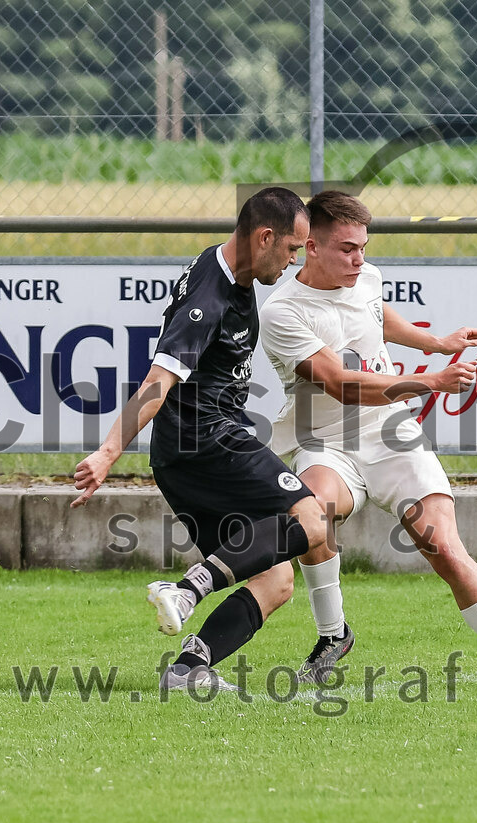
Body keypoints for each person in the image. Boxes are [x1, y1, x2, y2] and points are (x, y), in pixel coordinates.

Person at [258, 190, 477, 687]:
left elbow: (375, 315)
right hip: (327, 440)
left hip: (392, 435)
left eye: (364, 247)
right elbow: (341, 385)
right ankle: (334, 635)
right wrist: (433, 379)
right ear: (309, 246)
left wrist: (435, 342)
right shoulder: (283, 311)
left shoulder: (366, 277)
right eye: (346, 248)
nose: (359, 259)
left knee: (443, 547)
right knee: (311, 516)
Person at [71, 187, 331, 692]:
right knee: (313, 519)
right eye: (293, 249)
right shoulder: (208, 298)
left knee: (275, 581)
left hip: (181, 455)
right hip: (206, 440)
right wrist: (107, 454)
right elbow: (156, 384)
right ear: (265, 237)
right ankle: (187, 591)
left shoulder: (229, 267)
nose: (295, 261)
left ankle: (188, 670)